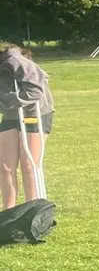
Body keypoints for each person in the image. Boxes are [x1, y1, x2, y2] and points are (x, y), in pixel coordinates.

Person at [0, 43, 54, 210]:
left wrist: (6, 100)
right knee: (5, 166)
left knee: (28, 164)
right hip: (11, 115)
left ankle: (32, 210)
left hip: (35, 113)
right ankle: (8, 212)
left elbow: (35, 91)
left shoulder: (15, 61)